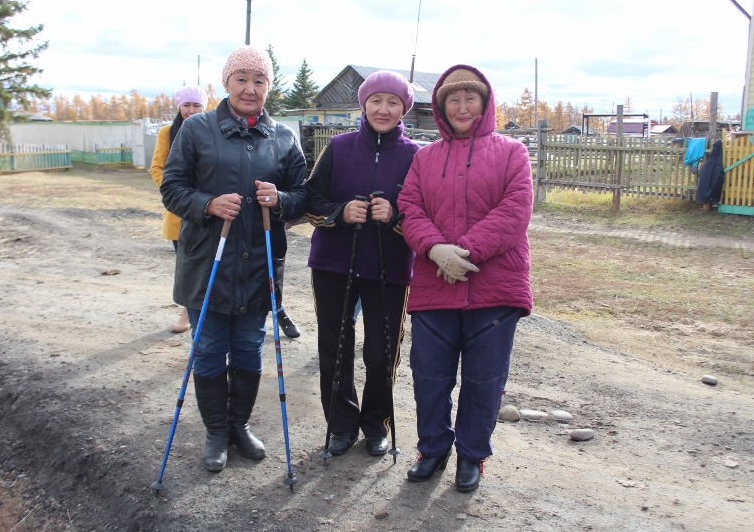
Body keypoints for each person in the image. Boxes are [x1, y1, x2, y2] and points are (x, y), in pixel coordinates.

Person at [160, 46, 308, 472]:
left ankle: (238, 426)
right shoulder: (197, 130)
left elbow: (302, 196)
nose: (250, 88)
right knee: (207, 348)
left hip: (258, 263)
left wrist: (279, 198)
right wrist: (207, 204)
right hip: (207, 261)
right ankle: (216, 431)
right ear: (225, 84)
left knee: (247, 346)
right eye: (241, 78)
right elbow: (172, 188)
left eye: (259, 80)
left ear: (268, 88)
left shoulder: (283, 137)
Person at [397, 65, 533, 492]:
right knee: (430, 377)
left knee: (484, 379)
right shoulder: (424, 157)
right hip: (435, 286)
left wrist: (466, 252)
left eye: (469, 98)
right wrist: (436, 249)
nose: (461, 106)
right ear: (440, 107)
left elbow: (515, 211)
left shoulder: (512, 152)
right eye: (452, 99)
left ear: (485, 103)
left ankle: (472, 455)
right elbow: (409, 207)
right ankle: (433, 448)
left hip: (493, 289)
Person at [306, 71, 419, 457]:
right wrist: (340, 212)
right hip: (333, 265)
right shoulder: (338, 147)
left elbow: (427, 214)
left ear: (404, 108)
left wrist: (396, 214)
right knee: (335, 347)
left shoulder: (417, 156)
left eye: (392, 102)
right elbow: (311, 200)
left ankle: (376, 425)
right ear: (364, 105)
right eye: (375, 101)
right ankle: (340, 424)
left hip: (391, 269)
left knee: (381, 351)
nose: (383, 109)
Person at [150, 85, 207, 333]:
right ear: (179, 107)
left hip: (210, 208)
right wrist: (180, 193)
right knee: (187, 267)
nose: (191, 111)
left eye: (197, 106)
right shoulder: (167, 133)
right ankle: (187, 312)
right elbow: (157, 168)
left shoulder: (211, 130)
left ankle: (206, 312)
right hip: (180, 212)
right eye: (187, 105)